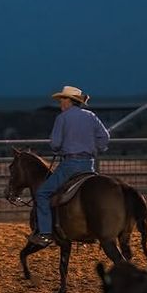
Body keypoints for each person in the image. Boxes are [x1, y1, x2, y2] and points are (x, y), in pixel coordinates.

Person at [27, 85, 111, 247]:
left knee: (43, 194)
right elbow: (104, 138)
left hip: (70, 164)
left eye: (62, 99)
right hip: (89, 164)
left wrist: (59, 148)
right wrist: (97, 147)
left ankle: (45, 234)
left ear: (69, 101)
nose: (60, 103)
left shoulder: (62, 118)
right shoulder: (91, 116)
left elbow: (55, 144)